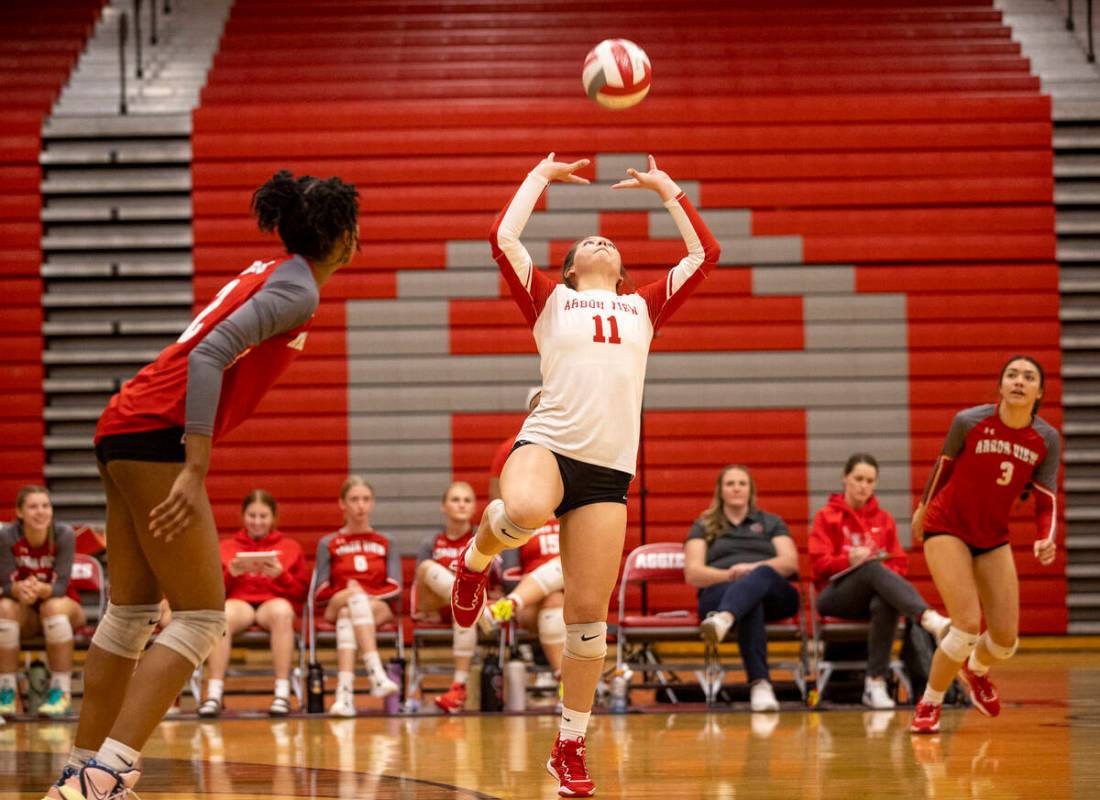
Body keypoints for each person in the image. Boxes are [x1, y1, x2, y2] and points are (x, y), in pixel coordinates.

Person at [42, 169, 360, 800]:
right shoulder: (297, 291)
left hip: (123, 423)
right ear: (344, 239)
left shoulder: (268, 271)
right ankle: (107, 775)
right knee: (200, 617)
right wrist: (195, 466)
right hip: (156, 433)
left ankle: (81, 771)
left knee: (130, 614)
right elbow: (210, 355)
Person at [449, 152, 719, 797]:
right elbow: (503, 238)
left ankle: (569, 744)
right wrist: (539, 177)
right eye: (586, 242)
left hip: (606, 473)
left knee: (589, 621)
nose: (599, 238)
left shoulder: (644, 310)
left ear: (623, 273)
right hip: (549, 444)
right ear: (571, 267)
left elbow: (705, 255)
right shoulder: (551, 299)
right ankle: (476, 556)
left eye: (610, 242)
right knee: (521, 513)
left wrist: (666, 189)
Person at [909, 355, 1060, 734]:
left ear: (1039, 392)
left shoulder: (1046, 439)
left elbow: (1046, 499)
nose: (1019, 381)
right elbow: (942, 467)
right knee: (964, 628)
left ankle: (975, 670)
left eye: (1028, 377)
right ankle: (930, 702)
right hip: (946, 526)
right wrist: (922, 508)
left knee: (1006, 641)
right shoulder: (969, 422)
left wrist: (1046, 537)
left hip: (992, 536)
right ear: (1001, 385)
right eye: (1012, 375)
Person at [809, 454, 951, 709]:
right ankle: (927, 617)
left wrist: (878, 568)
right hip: (835, 596)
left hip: (872, 595)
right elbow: (819, 565)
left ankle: (875, 683)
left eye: (869, 480)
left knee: (883, 600)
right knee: (870, 568)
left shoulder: (883, 519)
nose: (863, 485)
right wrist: (848, 560)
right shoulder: (826, 516)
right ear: (845, 479)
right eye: (858, 479)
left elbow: (900, 564)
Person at [683, 465, 800, 712]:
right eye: (730, 483)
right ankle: (761, 685)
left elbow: (789, 562)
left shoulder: (770, 522)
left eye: (742, 483)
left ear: (750, 490)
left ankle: (725, 618)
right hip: (719, 590)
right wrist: (730, 574)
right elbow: (693, 572)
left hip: (775, 595)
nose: (736, 488)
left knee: (762, 574)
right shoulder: (703, 525)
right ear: (720, 491)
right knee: (749, 602)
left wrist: (751, 569)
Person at [198, 489, 310, 718]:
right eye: (252, 516)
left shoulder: (290, 547)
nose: (257, 522)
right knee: (223, 615)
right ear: (243, 516)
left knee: (282, 612)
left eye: (263, 516)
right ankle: (214, 693)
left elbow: (302, 594)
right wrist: (231, 574)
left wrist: (281, 575)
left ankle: (281, 692)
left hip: (273, 603)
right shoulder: (227, 547)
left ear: (273, 517)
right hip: (240, 603)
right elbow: (213, 594)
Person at [313, 476, 401, 717]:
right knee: (349, 603)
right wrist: (347, 593)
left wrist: (364, 594)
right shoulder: (329, 543)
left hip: (376, 606)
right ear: (342, 504)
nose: (360, 505)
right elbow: (319, 593)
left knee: (349, 612)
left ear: (372, 504)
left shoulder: (386, 541)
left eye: (365, 499)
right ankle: (376, 674)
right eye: (354, 500)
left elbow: (395, 587)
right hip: (337, 602)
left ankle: (344, 696)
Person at [0, 486, 85, 718]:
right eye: (33, 506)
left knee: (52, 606)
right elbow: (6, 586)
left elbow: (61, 586)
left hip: (63, 606)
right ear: (19, 512)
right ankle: (6, 692)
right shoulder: (7, 535)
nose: (41, 512)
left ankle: (61, 692)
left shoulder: (63, 534)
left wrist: (40, 589)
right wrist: (19, 589)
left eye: (45, 506)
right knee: (4, 608)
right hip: (25, 612)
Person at [413, 481, 494, 714]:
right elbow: (422, 584)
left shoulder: (484, 537)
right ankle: (479, 611)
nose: (461, 505)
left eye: (467, 500)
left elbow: (496, 582)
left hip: (469, 604)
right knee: (428, 567)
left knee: (464, 611)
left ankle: (458, 687)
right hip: (435, 605)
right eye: (455, 500)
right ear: (443, 506)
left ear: (474, 508)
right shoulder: (431, 543)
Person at [493, 519, 566, 679]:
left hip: (572, 599)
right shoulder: (525, 519)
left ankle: (510, 603)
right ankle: (565, 685)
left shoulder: (572, 517)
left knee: (567, 562)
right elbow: (509, 576)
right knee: (553, 599)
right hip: (531, 605)